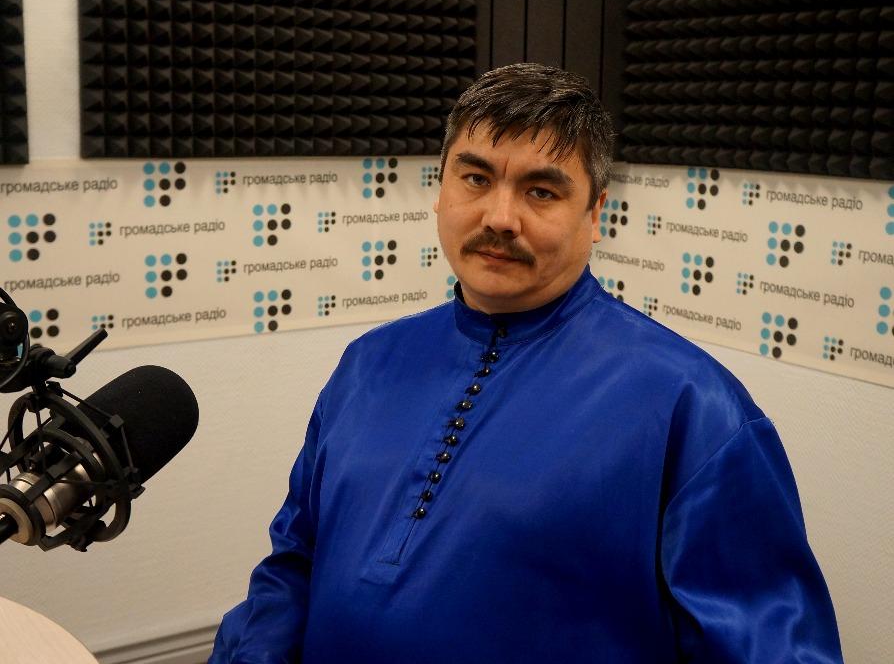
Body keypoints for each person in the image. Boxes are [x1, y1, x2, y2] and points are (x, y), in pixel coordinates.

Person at [210, 63, 843, 663]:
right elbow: (295, 560)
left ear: (595, 214)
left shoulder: (693, 407)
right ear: (440, 189)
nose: (500, 218)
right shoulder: (368, 363)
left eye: (541, 191)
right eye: (476, 179)